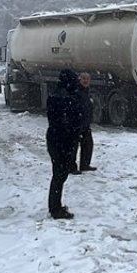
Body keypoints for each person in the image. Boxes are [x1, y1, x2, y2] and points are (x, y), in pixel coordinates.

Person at [46, 69, 87, 219]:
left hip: (57, 137)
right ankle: (55, 209)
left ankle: (55, 206)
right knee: (59, 174)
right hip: (63, 139)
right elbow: (70, 118)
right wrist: (75, 131)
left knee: (59, 173)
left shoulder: (56, 94)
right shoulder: (66, 97)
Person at [74, 72, 97, 173]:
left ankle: (85, 164)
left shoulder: (87, 91)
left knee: (88, 145)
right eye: (83, 78)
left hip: (85, 123)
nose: (86, 81)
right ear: (79, 79)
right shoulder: (76, 91)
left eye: (87, 79)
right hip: (76, 124)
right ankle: (72, 167)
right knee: (73, 147)